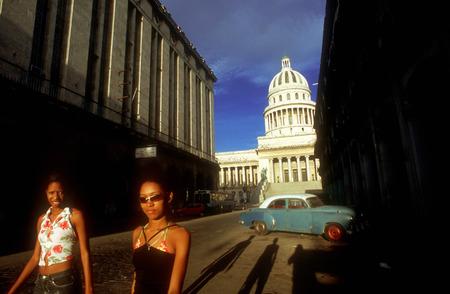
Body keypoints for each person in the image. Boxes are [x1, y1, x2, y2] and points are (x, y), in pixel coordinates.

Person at [8, 174, 94, 294]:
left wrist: (89, 288)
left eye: (60, 192)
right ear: (46, 193)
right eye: (51, 193)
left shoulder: (74, 216)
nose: (56, 197)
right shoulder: (42, 220)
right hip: (41, 283)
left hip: (64, 282)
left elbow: (85, 253)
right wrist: (12, 291)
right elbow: (35, 258)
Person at [131, 174, 191, 294]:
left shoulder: (179, 235)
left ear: (169, 197)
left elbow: (174, 289)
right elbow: (136, 278)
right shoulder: (137, 232)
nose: (149, 204)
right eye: (143, 199)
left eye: (155, 197)